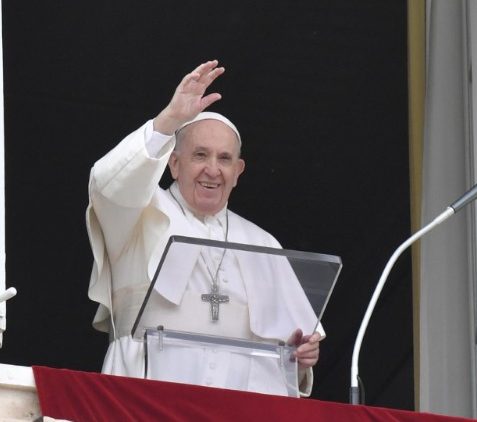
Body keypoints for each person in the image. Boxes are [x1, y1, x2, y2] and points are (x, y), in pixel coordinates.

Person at [86, 60, 322, 396]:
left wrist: (299, 358)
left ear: (238, 171)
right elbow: (107, 183)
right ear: (174, 162)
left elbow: (288, 353)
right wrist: (168, 121)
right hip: (147, 398)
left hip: (237, 408)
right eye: (200, 155)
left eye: (224, 159)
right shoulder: (138, 214)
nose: (213, 170)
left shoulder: (262, 241)